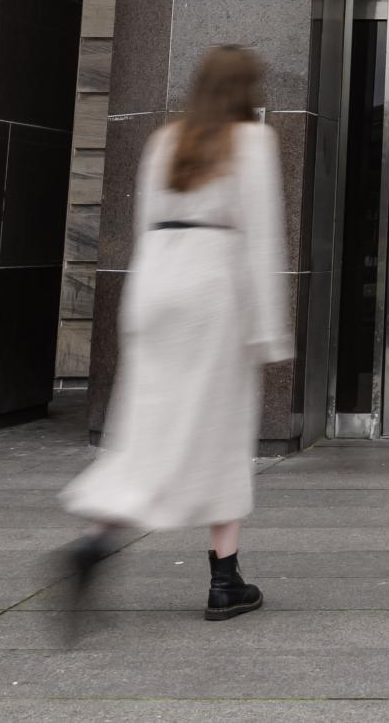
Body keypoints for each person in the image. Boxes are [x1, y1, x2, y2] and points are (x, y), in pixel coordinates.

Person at [58, 45, 293, 633]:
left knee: (147, 427)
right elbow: (262, 237)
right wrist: (270, 330)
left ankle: (95, 539)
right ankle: (224, 580)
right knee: (219, 430)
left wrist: (135, 313)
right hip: (214, 290)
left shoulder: (165, 141)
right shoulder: (251, 141)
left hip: (158, 286)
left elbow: (141, 228)